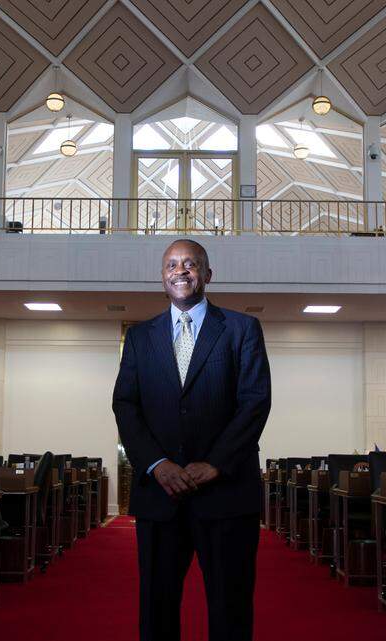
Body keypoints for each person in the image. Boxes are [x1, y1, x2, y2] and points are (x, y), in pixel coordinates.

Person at [113, 239, 271, 641]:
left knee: (230, 609)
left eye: (189, 264)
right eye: (171, 265)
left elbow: (254, 402)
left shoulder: (241, 329)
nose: (179, 271)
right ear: (162, 276)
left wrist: (215, 463)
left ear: (207, 274)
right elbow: (125, 405)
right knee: (157, 608)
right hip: (160, 496)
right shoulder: (139, 337)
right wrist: (156, 463)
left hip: (226, 495)